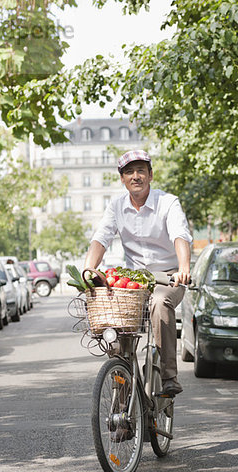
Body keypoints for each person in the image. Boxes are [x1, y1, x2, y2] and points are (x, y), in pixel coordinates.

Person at [84, 149, 192, 396]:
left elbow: (180, 235)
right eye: (129, 172)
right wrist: (89, 268)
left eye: (141, 171)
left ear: (150, 175)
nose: (136, 176)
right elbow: (101, 238)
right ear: (122, 179)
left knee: (160, 301)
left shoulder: (168, 202)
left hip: (168, 276)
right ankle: (122, 405)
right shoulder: (116, 207)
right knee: (117, 332)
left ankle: (168, 376)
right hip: (134, 281)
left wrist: (184, 268)